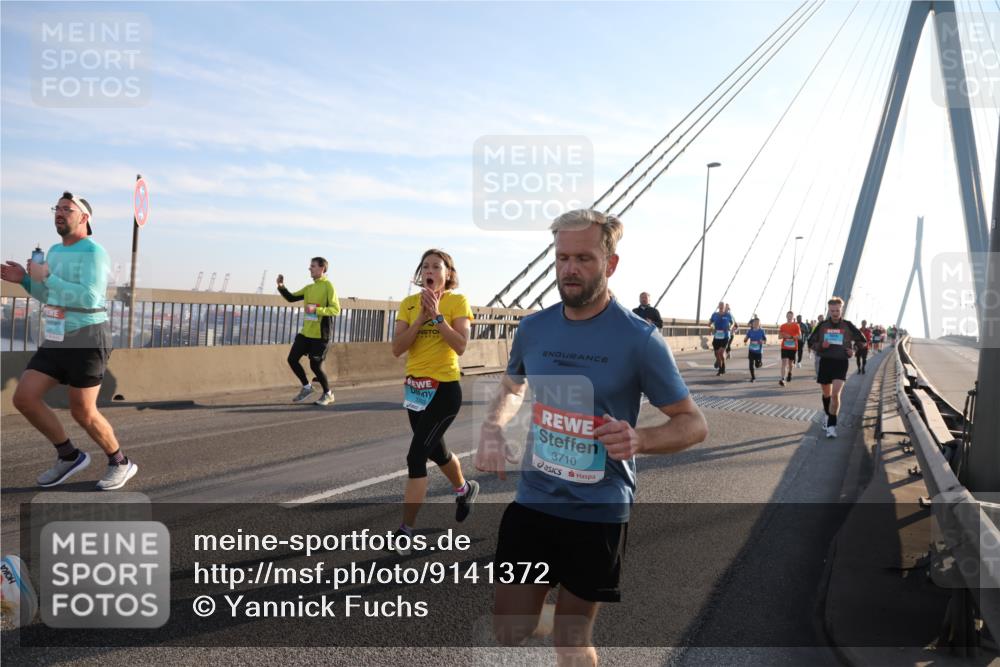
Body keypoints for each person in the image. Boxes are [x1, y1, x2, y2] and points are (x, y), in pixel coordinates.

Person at [475, 209, 707, 666]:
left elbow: (693, 423)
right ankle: (555, 608)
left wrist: (640, 439)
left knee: (571, 642)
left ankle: (568, 618)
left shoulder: (640, 340)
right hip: (535, 501)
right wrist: (493, 425)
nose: (570, 269)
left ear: (610, 264)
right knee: (508, 630)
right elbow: (511, 386)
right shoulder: (533, 328)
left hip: (597, 509)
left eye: (583, 257)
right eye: (562, 258)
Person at [1, 192, 136, 490]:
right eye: (57, 208)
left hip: (88, 335)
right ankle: (69, 456)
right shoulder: (54, 250)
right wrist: (25, 279)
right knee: (24, 398)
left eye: (67, 209)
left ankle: (120, 462)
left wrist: (46, 275)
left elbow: (89, 297)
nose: (59, 213)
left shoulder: (93, 252)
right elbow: (48, 295)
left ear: (84, 218)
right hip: (57, 334)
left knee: (82, 411)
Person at [391, 249, 478, 554]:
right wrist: (420, 319)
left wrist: (438, 316)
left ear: (448, 274)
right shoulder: (408, 304)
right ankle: (464, 488)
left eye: (436, 266)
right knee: (437, 452)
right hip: (415, 390)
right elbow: (397, 349)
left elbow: (461, 345)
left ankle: (406, 530)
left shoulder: (457, 301)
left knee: (416, 457)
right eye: (425, 266)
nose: (430, 270)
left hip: (445, 390)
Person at [277, 258, 341, 406]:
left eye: (312, 266)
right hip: (306, 332)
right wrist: (281, 286)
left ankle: (328, 394)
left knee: (315, 366)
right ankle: (307, 387)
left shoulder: (328, 286)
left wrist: (316, 310)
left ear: (322, 269)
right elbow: (291, 298)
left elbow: (335, 309)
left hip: (320, 334)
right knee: (292, 359)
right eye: (310, 266)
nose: (309, 268)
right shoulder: (309, 288)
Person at [807, 297, 865, 438]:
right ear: (829, 310)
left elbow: (862, 340)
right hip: (826, 362)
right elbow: (810, 342)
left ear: (841, 309)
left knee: (835, 394)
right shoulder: (822, 326)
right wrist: (821, 346)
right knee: (827, 394)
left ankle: (832, 426)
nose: (834, 313)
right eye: (832, 310)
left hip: (840, 363)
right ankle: (828, 416)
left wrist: (854, 350)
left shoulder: (848, 325)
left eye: (837, 310)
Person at [708, 302, 735, 376]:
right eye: (720, 305)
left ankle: (720, 370)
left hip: (725, 336)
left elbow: (733, 323)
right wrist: (710, 326)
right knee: (717, 355)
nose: (721, 307)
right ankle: (722, 366)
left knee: (720, 353)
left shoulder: (728, 315)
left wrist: (730, 327)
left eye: (722, 306)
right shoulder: (714, 315)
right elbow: (709, 323)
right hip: (717, 337)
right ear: (718, 306)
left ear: (724, 307)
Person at [778, 311, 801, 387]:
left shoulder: (796, 325)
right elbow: (779, 337)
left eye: (791, 316)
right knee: (784, 363)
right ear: (786, 316)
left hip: (793, 347)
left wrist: (791, 337)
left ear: (793, 317)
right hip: (784, 347)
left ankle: (790, 373)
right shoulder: (783, 326)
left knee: (790, 364)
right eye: (788, 316)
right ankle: (782, 379)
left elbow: (799, 336)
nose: (789, 317)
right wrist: (784, 336)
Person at [744, 318, 767, 382]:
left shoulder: (762, 331)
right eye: (755, 323)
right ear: (752, 324)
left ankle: (760, 362)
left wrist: (762, 341)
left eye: (757, 323)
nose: (756, 324)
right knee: (750, 364)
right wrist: (745, 340)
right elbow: (746, 338)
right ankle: (753, 377)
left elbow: (765, 340)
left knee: (757, 365)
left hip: (758, 351)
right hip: (751, 350)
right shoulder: (750, 331)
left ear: (759, 324)